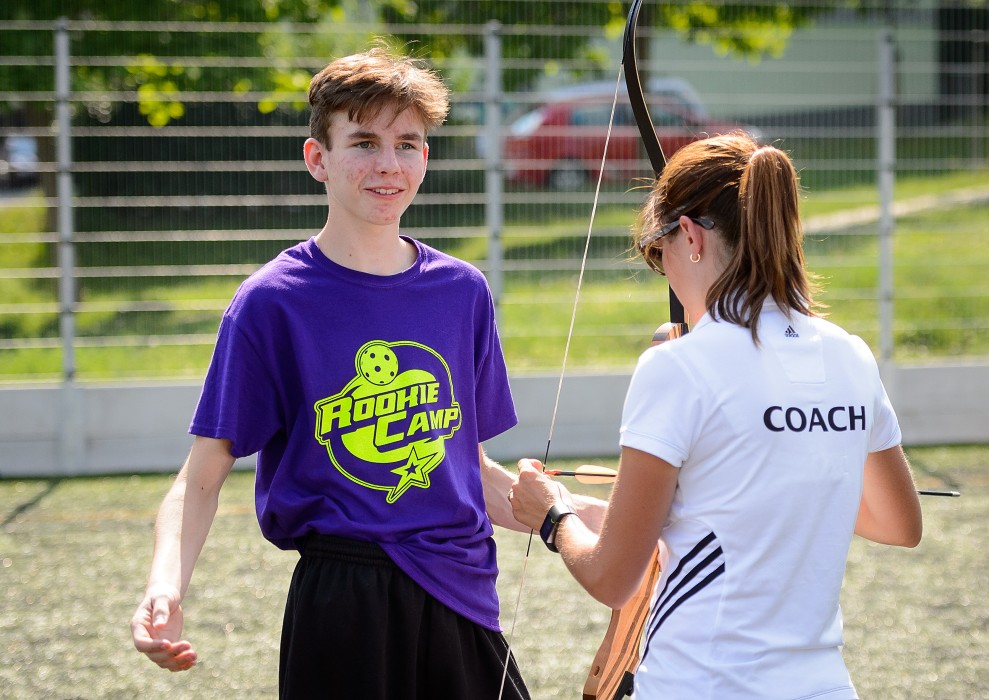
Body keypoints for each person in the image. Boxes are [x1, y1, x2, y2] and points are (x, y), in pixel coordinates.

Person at [129, 46, 602, 699]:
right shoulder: (271, 303)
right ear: (317, 158)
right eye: (363, 142)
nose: (388, 164)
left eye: (406, 144)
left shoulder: (462, 292)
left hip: (463, 595)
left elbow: (464, 470)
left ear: (425, 158)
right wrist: (164, 586)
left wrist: (596, 517)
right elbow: (201, 479)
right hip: (341, 604)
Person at [508, 132, 923, 700]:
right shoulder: (849, 353)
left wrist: (552, 515)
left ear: (690, 236)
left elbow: (612, 577)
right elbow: (899, 524)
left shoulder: (678, 368)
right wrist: (780, 476)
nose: (666, 272)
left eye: (660, 252)